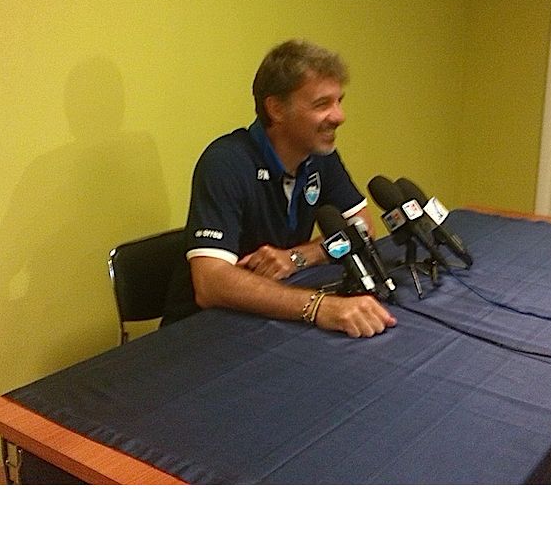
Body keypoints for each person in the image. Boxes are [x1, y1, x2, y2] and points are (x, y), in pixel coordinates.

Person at [164, 39, 396, 338]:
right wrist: (318, 307)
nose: (339, 116)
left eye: (339, 101)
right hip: (202, 331)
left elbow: (363, 228)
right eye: (322, 104)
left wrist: (300, 257)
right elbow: (211, 284)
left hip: (272, 316)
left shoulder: (320, 156)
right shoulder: (225, 162)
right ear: (276, 109)